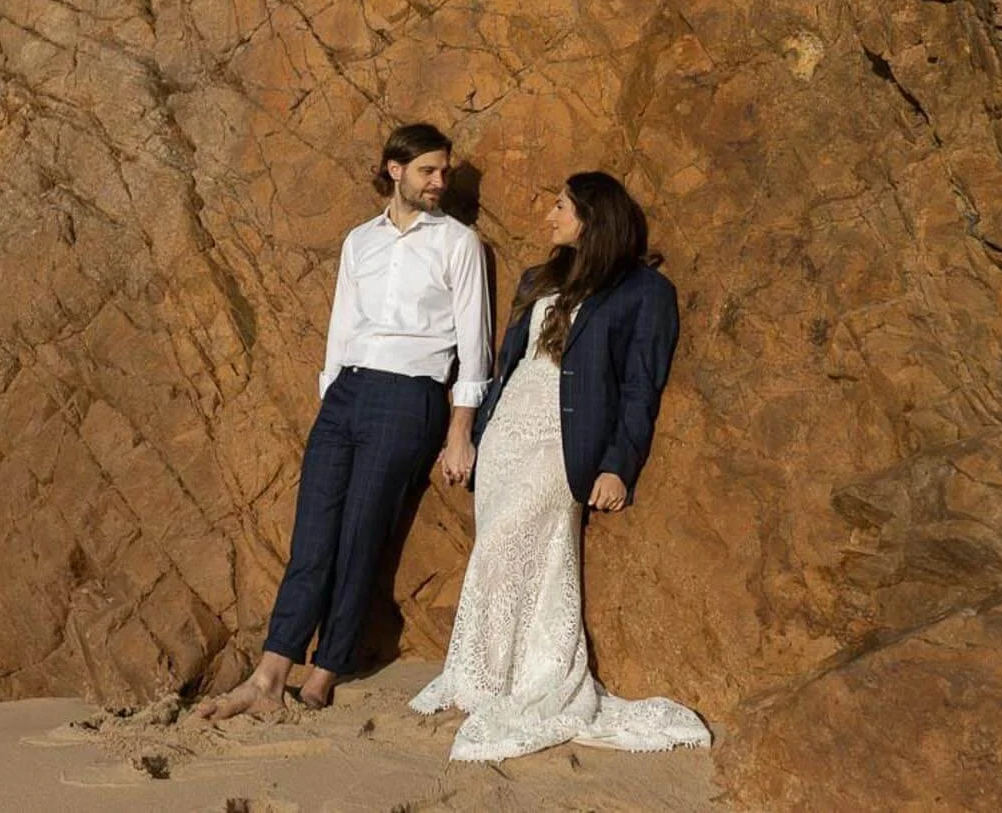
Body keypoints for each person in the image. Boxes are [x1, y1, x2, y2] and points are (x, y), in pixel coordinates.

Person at [409, 171, 711, 760]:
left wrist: (617, 465)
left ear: (592, 216)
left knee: (505, 544)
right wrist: (475, 433)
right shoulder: (540, 276)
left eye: (560, 206)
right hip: (507, 434)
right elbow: (509, 363)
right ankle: (484, 678)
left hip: (562, 441)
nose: (548, 216)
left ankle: (510, 682)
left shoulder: (645, 292)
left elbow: (640, 388)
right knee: (510, 554)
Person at [196, 123, 491, 718]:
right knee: (313, 536)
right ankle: (271, 670)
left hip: (411, 397)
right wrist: (333, 392)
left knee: (361, 536)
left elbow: (474, 342)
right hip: (347, 394)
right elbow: (341, 325)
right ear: (394, 170)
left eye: (444, 172)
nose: (439, 182)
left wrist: (460, 429)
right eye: (428, 170)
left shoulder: (459, 244)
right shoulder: (360, 241)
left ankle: (328, 663)